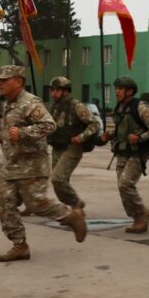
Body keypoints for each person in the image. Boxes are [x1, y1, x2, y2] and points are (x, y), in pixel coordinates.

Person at [0, 65, 86, 262]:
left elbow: (49, 125)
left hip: (31, 164)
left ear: (19, 81)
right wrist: (2, 137)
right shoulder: (7, 103)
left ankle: (70, 217)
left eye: (5, 80)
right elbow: (13, 131)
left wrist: (23, 133)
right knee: (6, 205)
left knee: (37, 204)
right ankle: (19, 245)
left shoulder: (30, 103)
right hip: (10, 164)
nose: (0, 84)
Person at [103, 76, 149, 233]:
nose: (117, 91)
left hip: (138, 153)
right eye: (116, 88)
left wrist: (140, 137)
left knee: (125, 184)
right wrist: (109, 134)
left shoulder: (141, 107)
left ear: (130, 91)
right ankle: (138, 217)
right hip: (122, 151)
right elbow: (120, 128)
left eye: (121, 88)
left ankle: (142, 214)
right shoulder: (119, 107)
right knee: (122, 187)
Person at [47, 77, 101, 210]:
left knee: (57, 178)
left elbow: (94, 124)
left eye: (57, 90)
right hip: (57, 146)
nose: (54, 93)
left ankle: (76, 203)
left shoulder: (77, 106)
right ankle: (72, 207)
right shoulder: (54, 107)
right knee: (59, 182)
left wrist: (81, 137)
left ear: (66, 91)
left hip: (72, 147)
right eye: (52, 90)